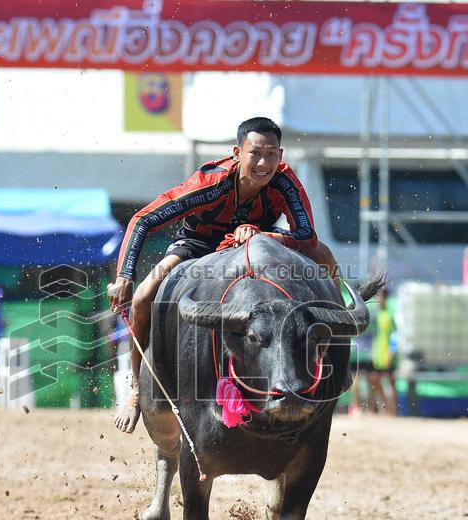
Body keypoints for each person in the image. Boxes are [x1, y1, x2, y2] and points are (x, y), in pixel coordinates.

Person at [106, 116, 342, 433]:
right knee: (144, 296)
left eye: (272, 154)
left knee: (324, 254)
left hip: (256, 241)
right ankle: (136, 388)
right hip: (197, 245)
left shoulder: (284, 182)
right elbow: (142, 219)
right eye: (255, 153)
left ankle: (334, 343)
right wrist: (125, 275)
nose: (264, 163)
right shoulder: (209, 184)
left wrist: (267, 236)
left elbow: (306, 235)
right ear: (236, 153)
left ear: (281, 156)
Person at [370, 289, 398, 416]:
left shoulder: (390, 314)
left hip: (388, 352)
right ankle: (385, 407)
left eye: (380, 297)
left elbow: (395, 335)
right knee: (374, 379)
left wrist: (391, 352)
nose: (378, 300)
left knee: (391, 382)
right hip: (378, 353)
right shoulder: (378, 313)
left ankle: (393, 411)